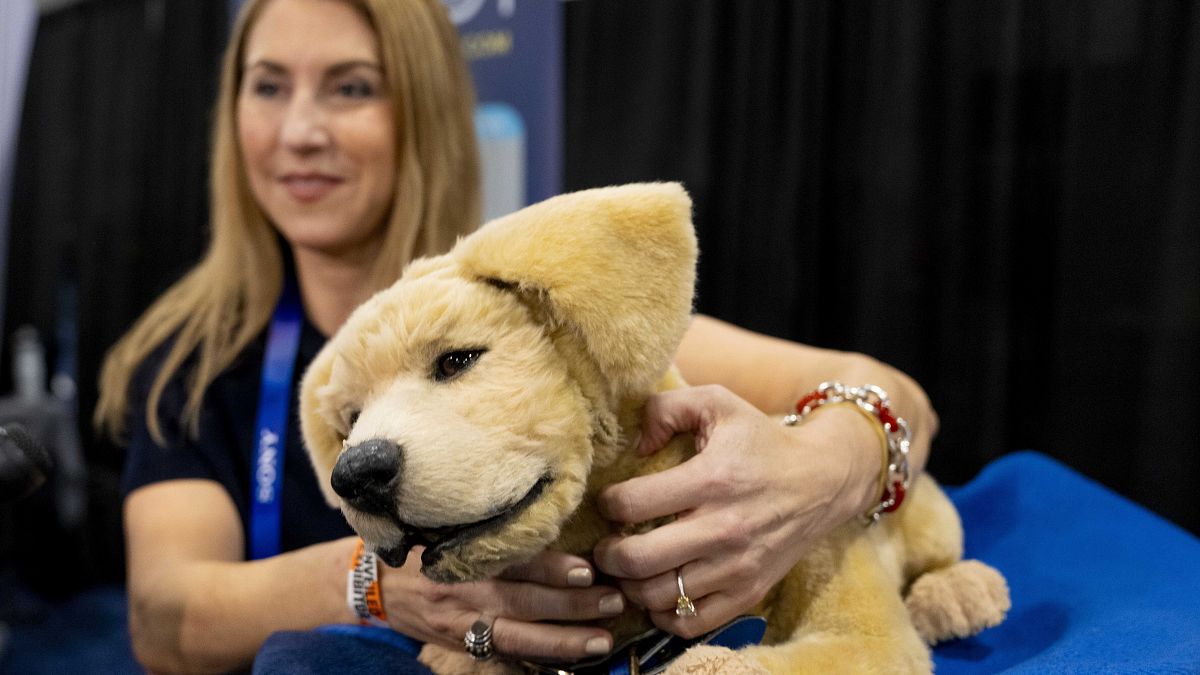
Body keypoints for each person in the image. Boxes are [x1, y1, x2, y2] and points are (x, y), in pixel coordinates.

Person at [94, 0, 938, 672]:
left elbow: (890, 393)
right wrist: (378, 586)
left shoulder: (532, 311)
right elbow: (162, 618)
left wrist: (816, 475)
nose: (299, 130)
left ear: (420, 110)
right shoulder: (190, 362)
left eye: (351, 87)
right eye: (268, 85)